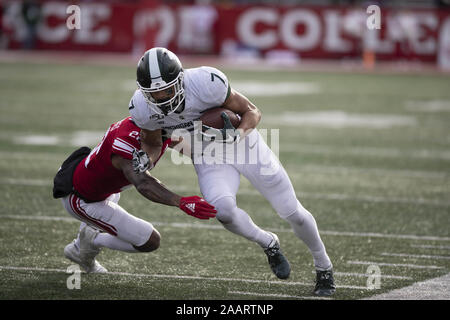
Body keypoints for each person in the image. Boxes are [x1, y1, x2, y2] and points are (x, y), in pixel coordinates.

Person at [128, 47, 336, 296]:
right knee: (223, 211)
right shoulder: (141, 107)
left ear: (180, 79)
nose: (161, 97)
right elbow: (152, 143)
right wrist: (147, 160)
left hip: (244, 145)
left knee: (292, 212)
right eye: (154, 93)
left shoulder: (206, 82)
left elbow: (252, 111)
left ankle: (323, 265)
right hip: (205, 154)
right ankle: (268, 242)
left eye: (166, 89)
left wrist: (236, 134)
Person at [55, 116, 217, 273]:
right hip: (83, 200)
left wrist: (211, 155)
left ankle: (85, 243)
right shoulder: (127, 142)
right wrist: (180, 201)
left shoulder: (152, 125)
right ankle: (89, 242)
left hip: (102, 188)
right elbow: (144, 183)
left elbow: (176, 142)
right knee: (150, 241)